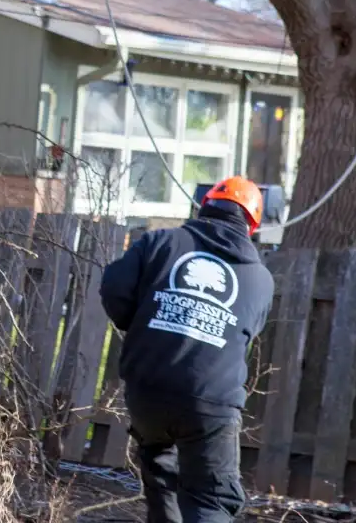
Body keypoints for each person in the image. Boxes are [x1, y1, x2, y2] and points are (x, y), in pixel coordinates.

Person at [99, 176, 274, 523]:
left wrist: (143, 327)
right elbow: (246, 333)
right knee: (211, 498)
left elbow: (114, 288)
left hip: (147, 390)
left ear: (204, 205)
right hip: (210, 401)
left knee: (161, 474)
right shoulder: (259, 279)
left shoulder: (159, 242)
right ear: (252, 225)